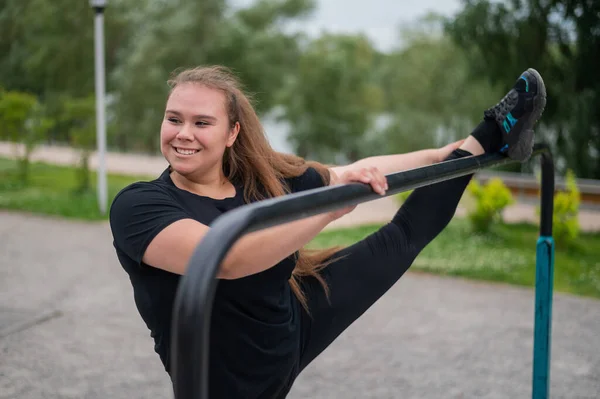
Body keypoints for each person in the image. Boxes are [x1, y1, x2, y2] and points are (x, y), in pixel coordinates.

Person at [109, 65, 546, 398]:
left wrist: (441, 155)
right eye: (174, 119)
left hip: (290, 326)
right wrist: (330, 209)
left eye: (201, 122)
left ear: (231, 133)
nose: (183, 134)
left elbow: (349, 172)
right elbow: (226, 258)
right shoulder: (139, 206)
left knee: (401, 238)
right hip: (222, 383)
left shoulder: (261, 181)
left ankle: (487, 138)